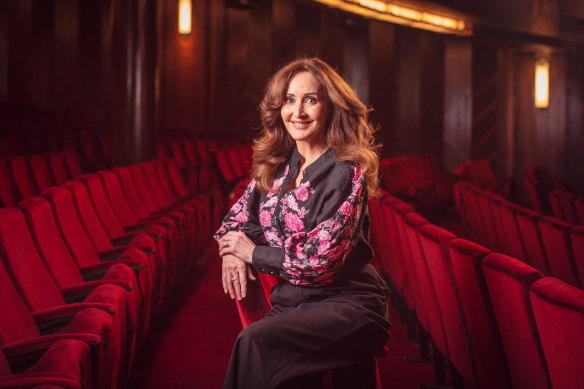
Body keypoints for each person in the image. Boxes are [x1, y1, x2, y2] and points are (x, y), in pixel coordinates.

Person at [213, 57, 390, 389]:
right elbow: (235, 220)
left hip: (348, 306)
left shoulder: (346, 170)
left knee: (254, 343)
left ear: (330, 107)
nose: (298, 112)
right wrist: (231, 253)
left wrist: (253, 253)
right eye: (289, 100)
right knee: (265, 352)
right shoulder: (279, 166)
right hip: (294, 303)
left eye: (311, 99)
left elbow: (319, 263)